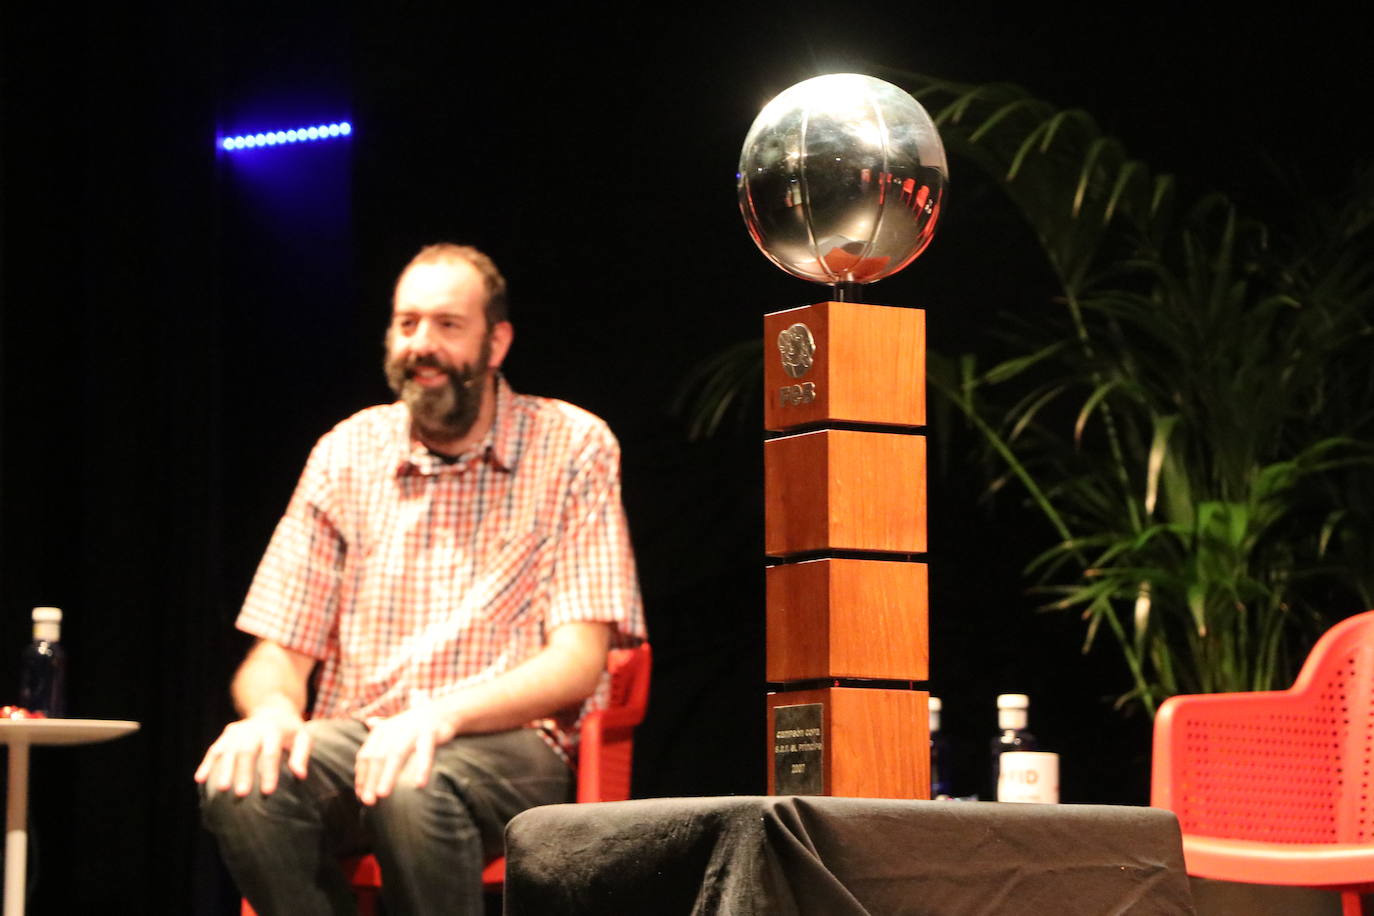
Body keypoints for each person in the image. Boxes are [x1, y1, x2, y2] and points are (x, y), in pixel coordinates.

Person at [196, 244, 644, 915]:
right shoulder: (347, 452)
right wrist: (273, 714)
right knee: (243, 778)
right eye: (407, 325)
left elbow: (579, 662)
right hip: (363, 732)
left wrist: (439, 716)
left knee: (414, 782)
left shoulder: (572, 444)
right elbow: (275, 654)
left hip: (511, 742)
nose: (421, 345)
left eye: (446, 325)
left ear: (497, 343)